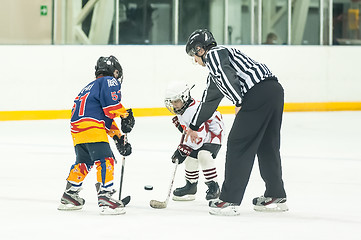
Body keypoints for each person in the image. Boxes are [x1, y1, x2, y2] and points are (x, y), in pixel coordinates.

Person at [185, 29, 288, 216]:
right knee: (267, 145)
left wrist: (238, 101)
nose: (194, 60)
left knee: (238, 143)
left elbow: (226, 76)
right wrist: (193, 126)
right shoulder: (222, 60)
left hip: (257, 94)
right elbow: (209, 100)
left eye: (194, 54)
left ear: (200, 49)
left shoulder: (214, 55)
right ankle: (276, 194)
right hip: (273, 91)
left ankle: (228, 200)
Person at [57, 55, 135, 215]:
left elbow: (104, 117)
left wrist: (118, 137)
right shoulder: (109, 81)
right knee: (106, 160)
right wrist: (125, 115)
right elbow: (111, 108)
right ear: (114, 71)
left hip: (77, 129)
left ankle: (70, 195)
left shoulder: (90, 86)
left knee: (84, 162)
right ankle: (105, 196)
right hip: (91, 126)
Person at [165, 81, 224, 201]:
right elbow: (189, 134)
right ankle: (191, 186)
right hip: (201, 134)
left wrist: (182, 150)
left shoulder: (194, 111)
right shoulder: (182, 109)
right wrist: (184, 132)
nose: (173, 104)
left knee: (203, 154)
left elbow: (198, 139)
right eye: (172, 101)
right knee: (191, 157)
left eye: (176, 101)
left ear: (185, 97)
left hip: (213, 134)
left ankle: (214, 186)